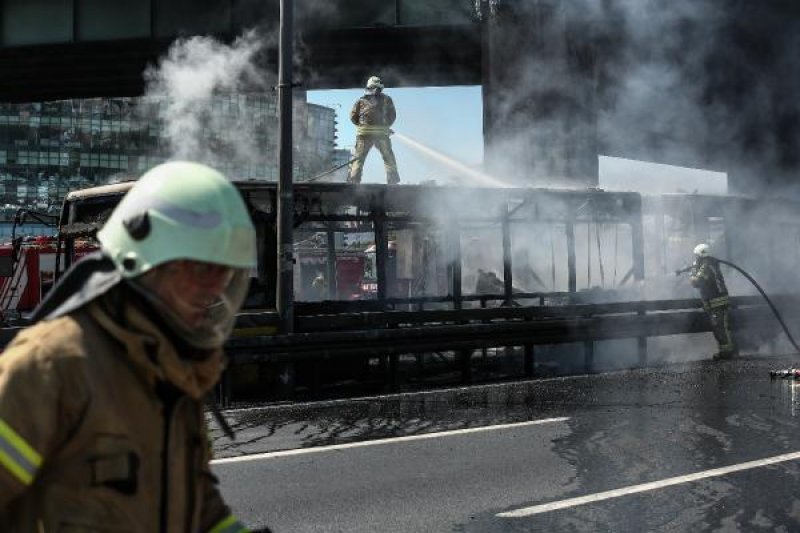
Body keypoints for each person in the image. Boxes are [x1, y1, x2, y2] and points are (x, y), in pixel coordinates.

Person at [0, 161, 258, 532]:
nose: (215, 288)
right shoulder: (52, 365)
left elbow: (198, 510)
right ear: (147, 263)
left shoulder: (173, 374)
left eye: (225, 272)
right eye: (202, 267)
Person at [687, 243, 737, 360]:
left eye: (696, 256)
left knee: (720, 327)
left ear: (700, 255)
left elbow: (696, 282)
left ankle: (727, 352)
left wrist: (691, 273)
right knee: (718, 327)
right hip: (717, 301)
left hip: (717, 302)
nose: (695, 258)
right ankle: (725, 351)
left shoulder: (706, 265)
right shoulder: (710, 263)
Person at [348, 75, 400, 185]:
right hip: (381, 134)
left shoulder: (360, 100)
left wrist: (362, 126)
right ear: (380, 87)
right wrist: (385, 126)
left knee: (358, 158)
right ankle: (392, 180)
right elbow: (393, 116)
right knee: (388, 156)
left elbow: (353, 116)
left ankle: (354, 180)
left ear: (368, 87)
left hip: (363, 134)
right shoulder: (387, 99)